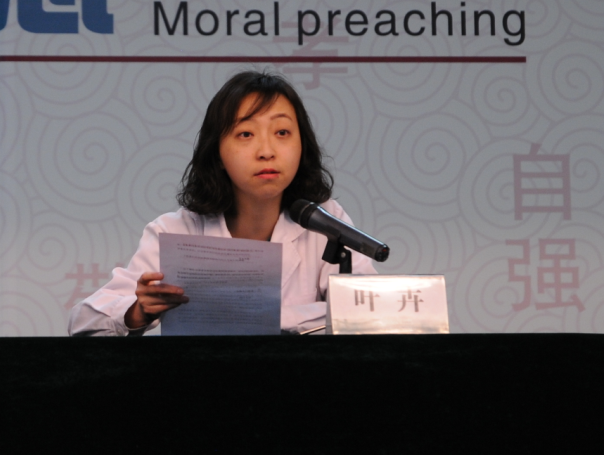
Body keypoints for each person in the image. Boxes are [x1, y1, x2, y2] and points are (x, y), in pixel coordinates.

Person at [68, 70, 375, 336]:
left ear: (302, 145)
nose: (267, 151)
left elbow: (373, 312)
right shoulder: (175, 232)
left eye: (282, 132)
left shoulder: (325, 221)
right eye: (246, 134)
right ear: (217, 153)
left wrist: (259, 319)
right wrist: (138, 311)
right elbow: (83, 322)